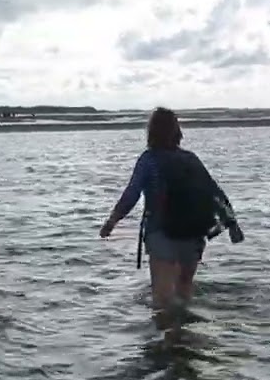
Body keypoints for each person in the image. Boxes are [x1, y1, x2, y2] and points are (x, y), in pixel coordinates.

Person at [98, 107, 241, 311]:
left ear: (151, 132)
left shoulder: (149, 159)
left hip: (161, 232)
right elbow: (215, 192)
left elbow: (131, 194)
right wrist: (232, 224)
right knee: (184, 292)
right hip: (193, 234)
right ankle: (184, 335)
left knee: (162, 299)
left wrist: (111, 223)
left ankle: (167, 339)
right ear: (177, 131)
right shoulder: (191, 159)